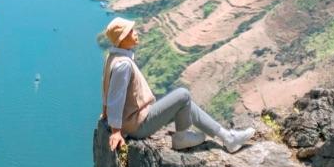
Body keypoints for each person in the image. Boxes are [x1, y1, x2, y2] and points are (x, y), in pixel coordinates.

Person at [100, 17, 256, 153]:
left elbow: (107, 89)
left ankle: (227, 137)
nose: (136, 32)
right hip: (137, 125)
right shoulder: (123, 65)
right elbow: (116, 97)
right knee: (183, 94)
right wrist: (116, 131)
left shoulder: (113, 57)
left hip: (134, 120)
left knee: (185, 103)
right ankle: (181, 138)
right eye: (131, 31)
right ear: (122, 38)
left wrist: (106, 113)